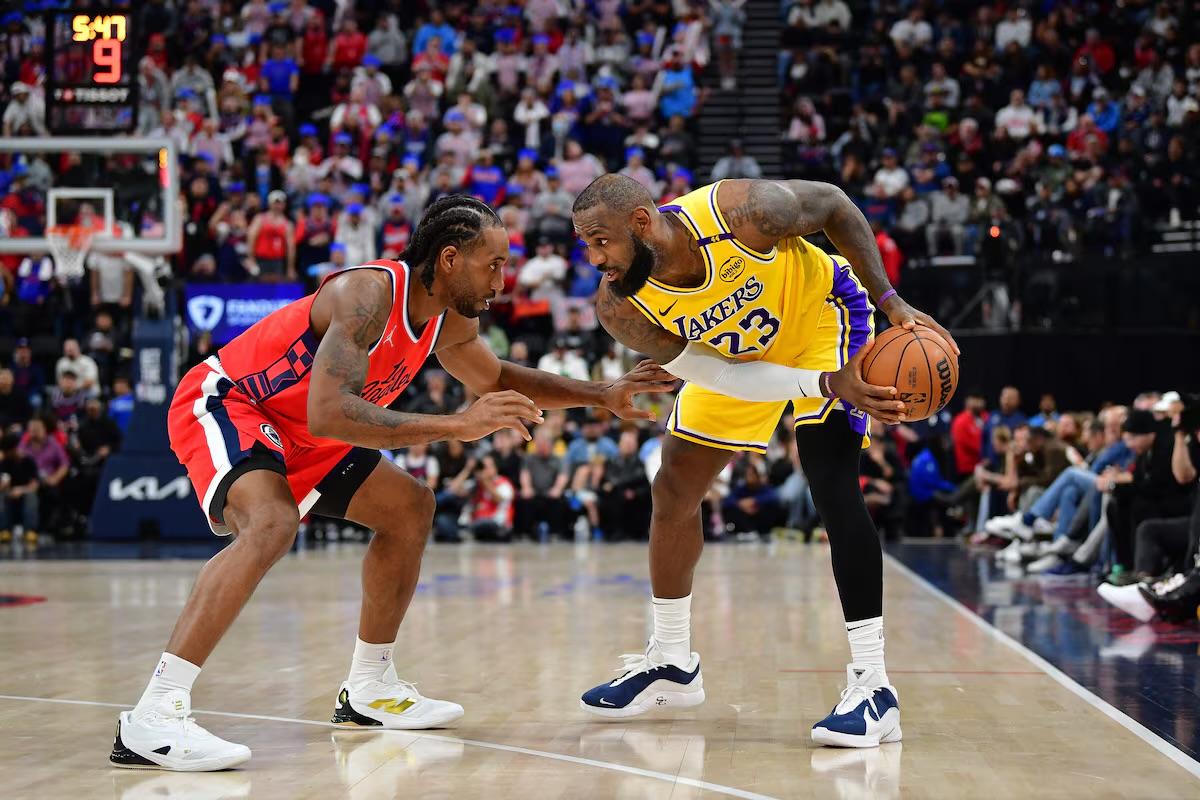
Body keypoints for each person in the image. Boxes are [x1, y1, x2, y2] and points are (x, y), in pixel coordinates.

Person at [112, 195, 675, 772]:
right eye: (493, 264)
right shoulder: (365, 295)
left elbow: (495, 377)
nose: (501, 282)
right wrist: (456, 425)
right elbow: (331, 413)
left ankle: (369, 688)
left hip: (305, 432)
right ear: (450, 258)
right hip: (234, 403)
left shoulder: (450, 318)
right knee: (272, 524)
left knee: (409, 508)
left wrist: (601, 394)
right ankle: (154, 714)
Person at [571, 173, 956, 745]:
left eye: (601, 241)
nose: (595, 259)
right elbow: (724, 377)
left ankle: (874, 686)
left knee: (831, 483)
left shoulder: (744, 213)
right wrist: (820, 384)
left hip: (822, 317)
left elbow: (835, 206)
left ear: (642, 223)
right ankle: (673, 661)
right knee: (673, 488)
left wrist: (890, 300)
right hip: (738, 360)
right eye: (586, 246)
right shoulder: (619, 307)